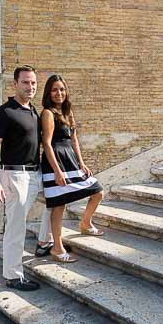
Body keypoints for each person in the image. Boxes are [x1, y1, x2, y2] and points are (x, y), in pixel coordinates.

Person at [36, 74, 104, 262]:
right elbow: (47, 144)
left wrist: (82, 163)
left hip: (71, 160)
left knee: (97, 192)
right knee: (58, 205)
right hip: (55, 161)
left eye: (62, 89)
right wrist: (57, 171)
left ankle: (85, 223)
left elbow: (74, 140)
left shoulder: (67, 111)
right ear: (49, 93)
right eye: (55, 89)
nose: (59, 93)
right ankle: (57, 248)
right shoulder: (48, 113)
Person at [0, 65, 43, 291]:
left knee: (57, 201)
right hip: (14, 175)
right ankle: (13, 276)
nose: (30, 87)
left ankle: (46, 243)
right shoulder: (4, 111)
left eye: (33, 83)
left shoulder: (33, 111)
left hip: (36, 174)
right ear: (15, 84)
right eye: (26, 82)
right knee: (16, 227)